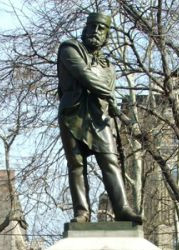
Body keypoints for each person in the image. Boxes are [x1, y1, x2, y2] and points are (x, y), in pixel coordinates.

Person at [57, 12, 142, 224]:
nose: (95, 32)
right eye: (92, 27)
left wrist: (112, 108)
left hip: (99, 117)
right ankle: (82, 213)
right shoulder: (69, 48)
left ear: (106, 36)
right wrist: (111, 98)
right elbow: (84, 75)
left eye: (100, 29)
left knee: (110, 160)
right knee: (76, 165)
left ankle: (122, 209)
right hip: (73, 114)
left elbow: (106, 91)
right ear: (85, 29)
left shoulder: (108, 66)